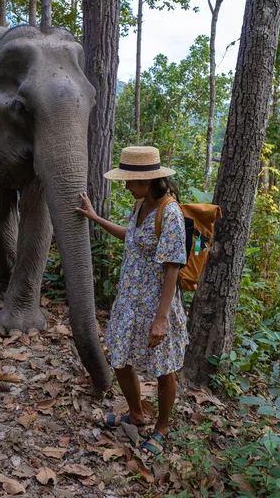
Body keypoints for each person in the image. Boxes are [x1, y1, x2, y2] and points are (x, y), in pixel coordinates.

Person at [76, 146, 188, 457]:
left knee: (163, 368)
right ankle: (136, 413)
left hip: (156, 306)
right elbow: (131, 236)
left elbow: (172, 268)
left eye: (129, 181)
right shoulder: (141, 205)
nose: (125, 186)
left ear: (148, 180)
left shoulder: (171, 213)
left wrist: (161, 318)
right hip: (129, 301)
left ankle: (161, 428)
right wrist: (95, 218)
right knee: (120, 358)